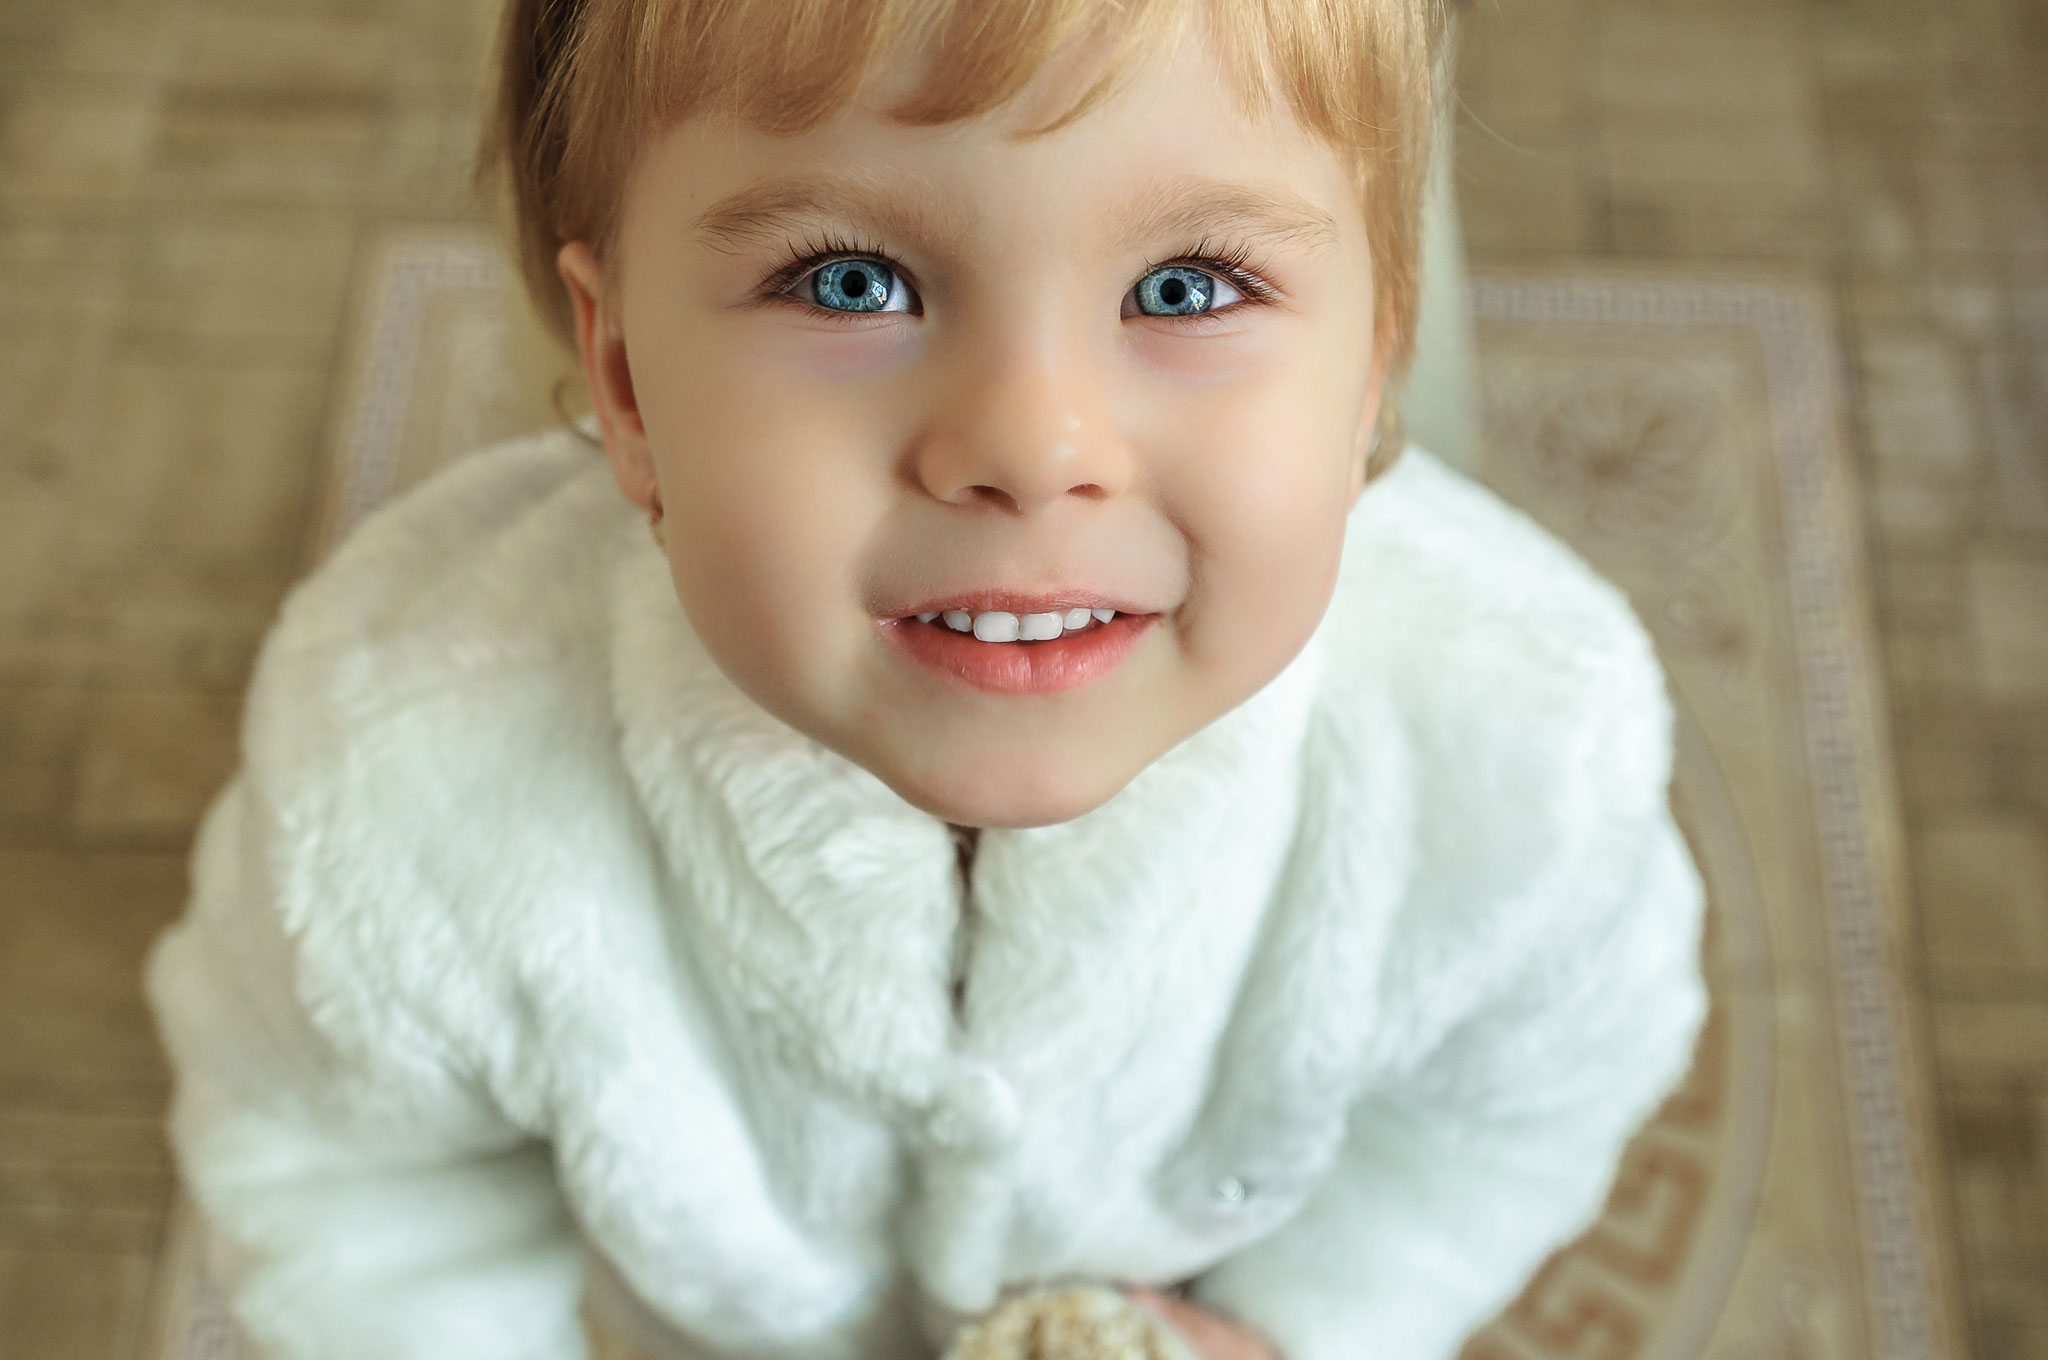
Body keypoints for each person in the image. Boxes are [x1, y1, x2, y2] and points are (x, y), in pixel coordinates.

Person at [142, 1, 1711, 1357]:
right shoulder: (401, 783)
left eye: (1184, 289)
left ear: (1371, 364)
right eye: (849, 284)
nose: (1033, 448)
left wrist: (1304, 1321)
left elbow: (1528, 1096)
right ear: (623, 383)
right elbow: (336, 1165)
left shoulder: (1518, 743)